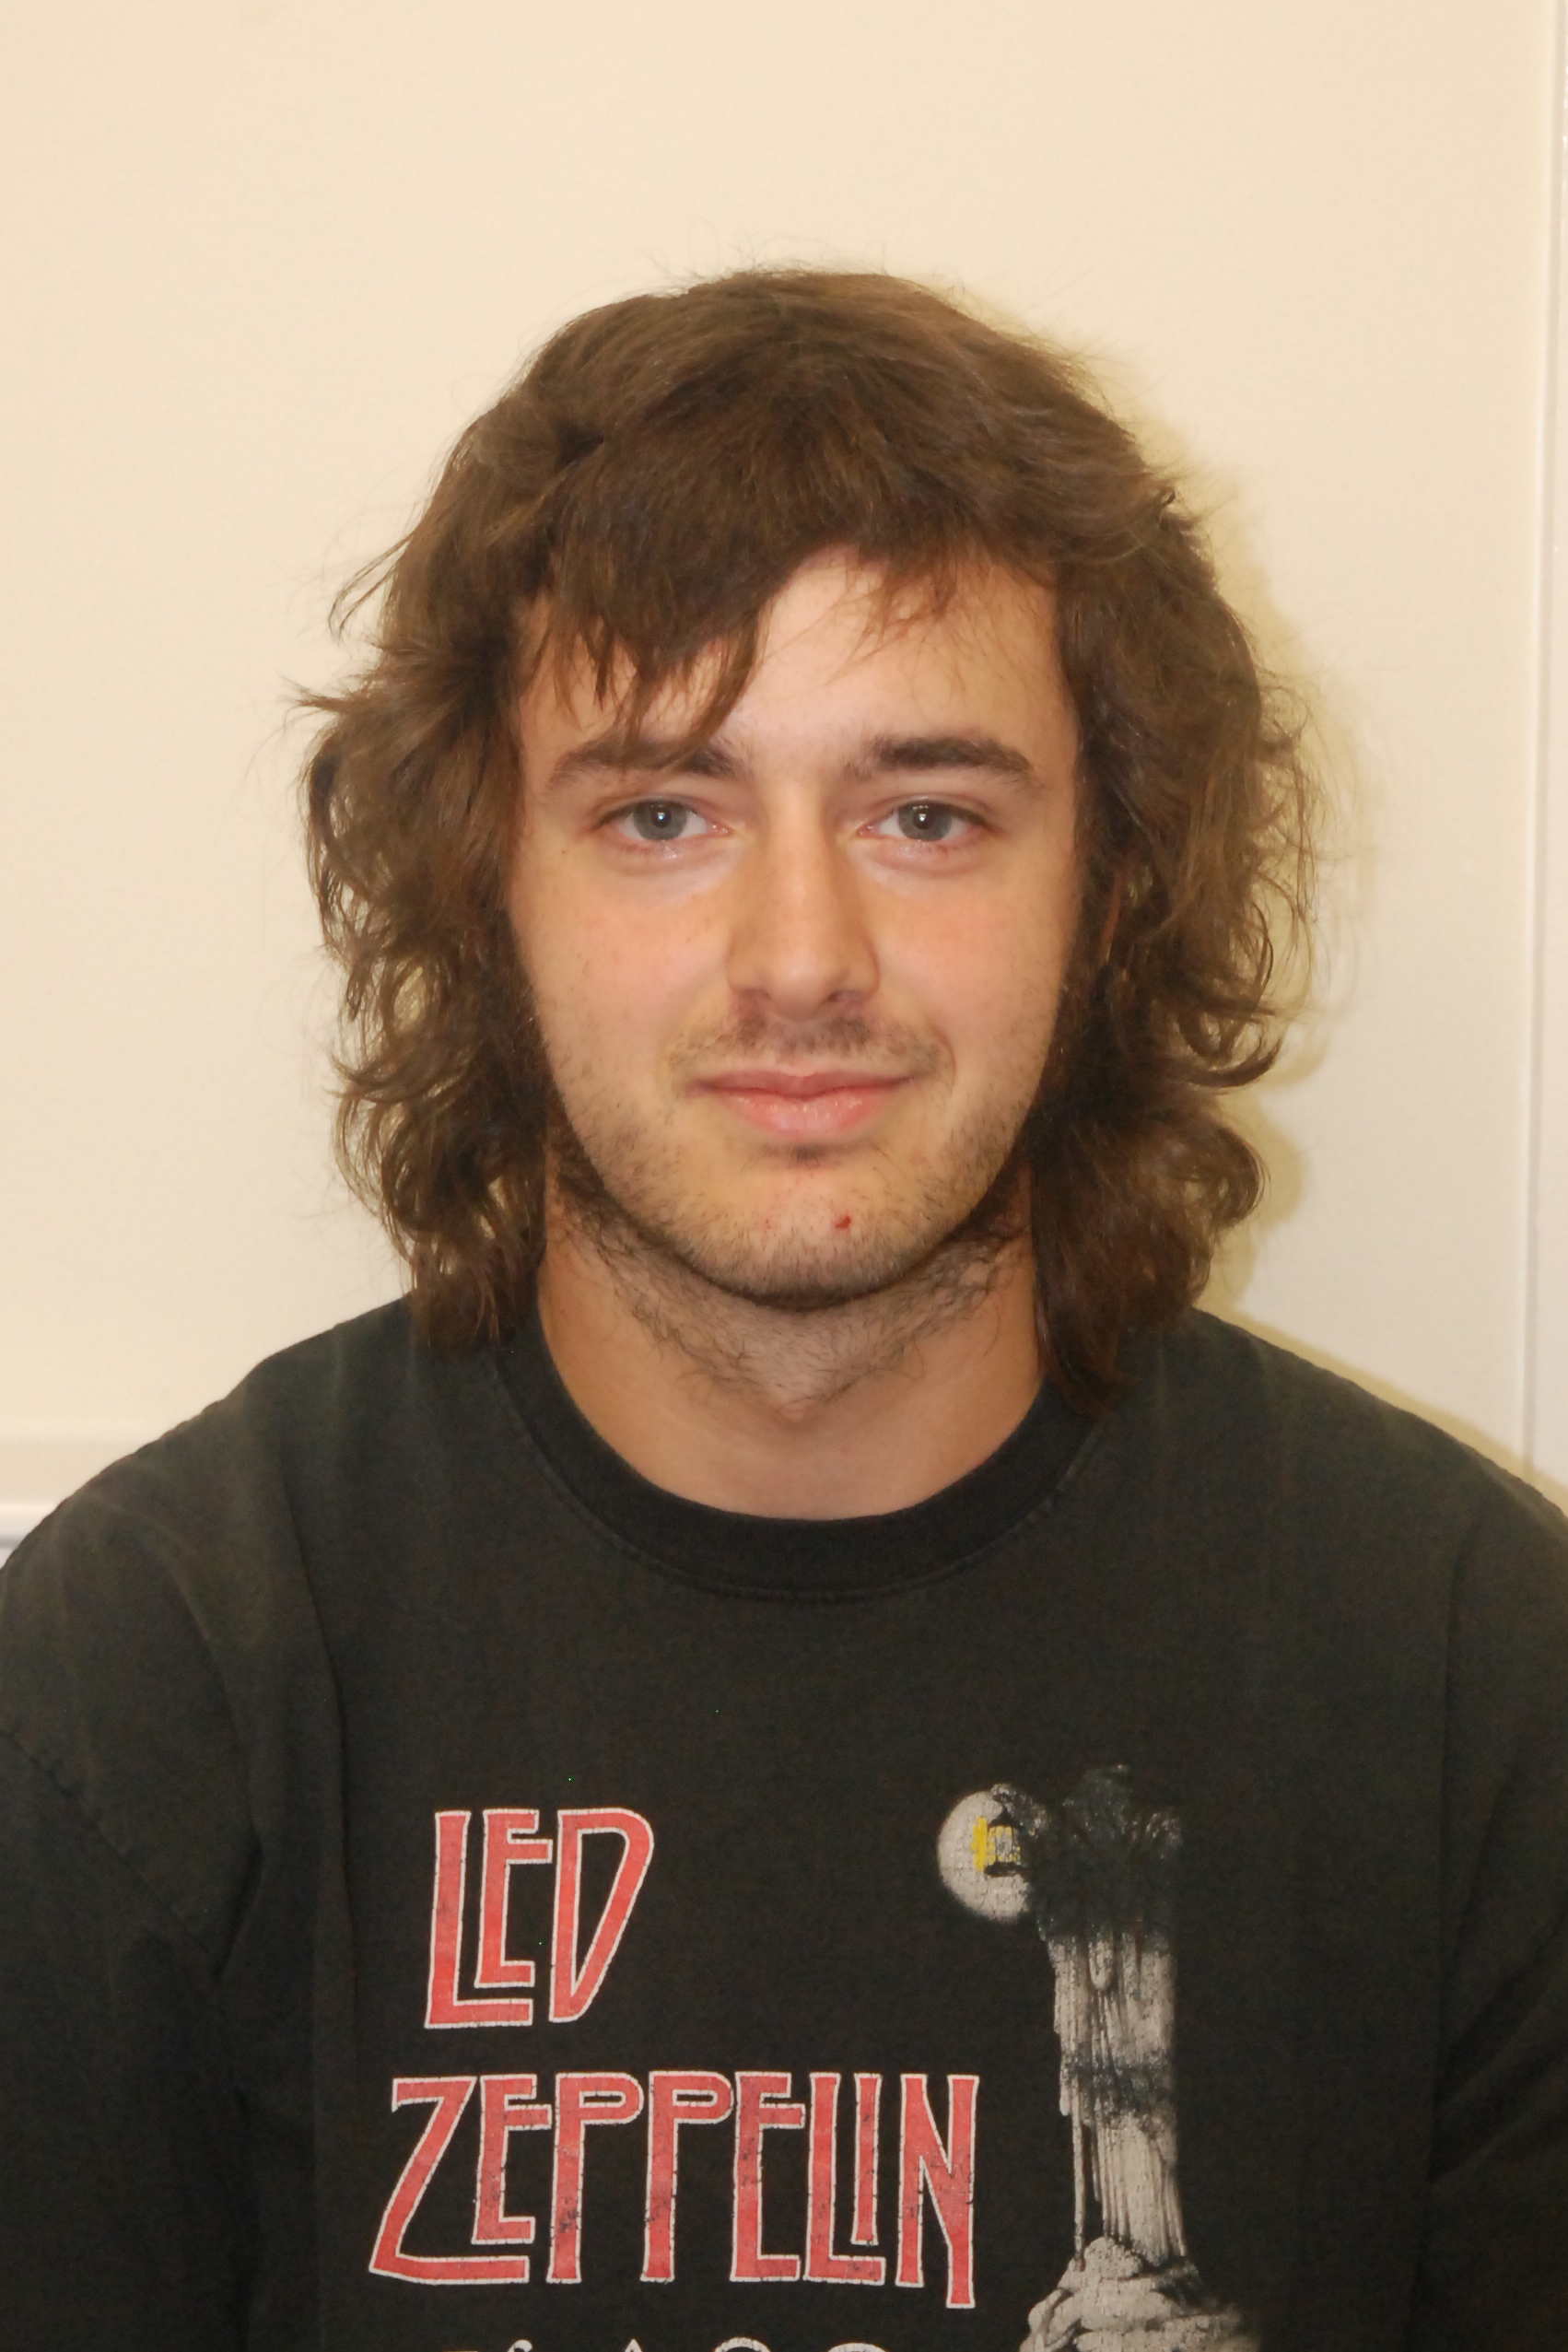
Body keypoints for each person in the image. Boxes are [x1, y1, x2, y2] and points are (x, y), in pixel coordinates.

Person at [1, 268, 1564, 2352]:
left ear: (1108, 887)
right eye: (662, 813)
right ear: (484, 888)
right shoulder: (147, 1672)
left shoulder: (1470, 1669)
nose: (800, 954)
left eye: (926, 814)